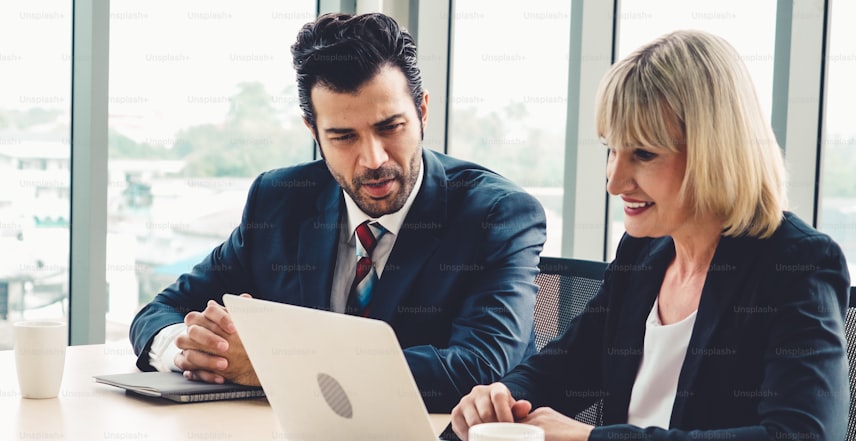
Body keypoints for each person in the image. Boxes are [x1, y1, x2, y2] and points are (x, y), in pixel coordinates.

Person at [451, 30, 850, 441]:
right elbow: (563, 368)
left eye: (643, 153)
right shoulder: (644, 253)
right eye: (611, 149)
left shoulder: (796, 263)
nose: (615, 181)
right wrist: (499, 398)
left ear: (713, 153)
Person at [129, 12, 546, 413]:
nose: (372, 159)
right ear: (314, 132)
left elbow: (477, 368)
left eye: (389, 127)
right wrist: (191, 349)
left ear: (421, 111)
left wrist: (277, 366)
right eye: (343, 136)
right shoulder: (278, 201)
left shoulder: (499, 215)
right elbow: (159, 311)